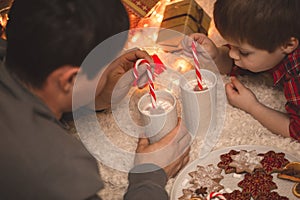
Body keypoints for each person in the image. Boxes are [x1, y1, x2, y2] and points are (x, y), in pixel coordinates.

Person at [0, 0, 190, 199]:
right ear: (71, 79)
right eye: (107, 67)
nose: (111, 71)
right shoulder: (54, 170)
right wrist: (149, 178)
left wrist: (90, 98)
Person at [183, 0, 300, 141]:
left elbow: (296, 130)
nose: (232, 54)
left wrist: (252, 106)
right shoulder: (270, 42)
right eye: (231, 46)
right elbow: (236, 62)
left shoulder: (296, 74)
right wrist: (216, 55)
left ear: (288, 44)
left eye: (243, 52)